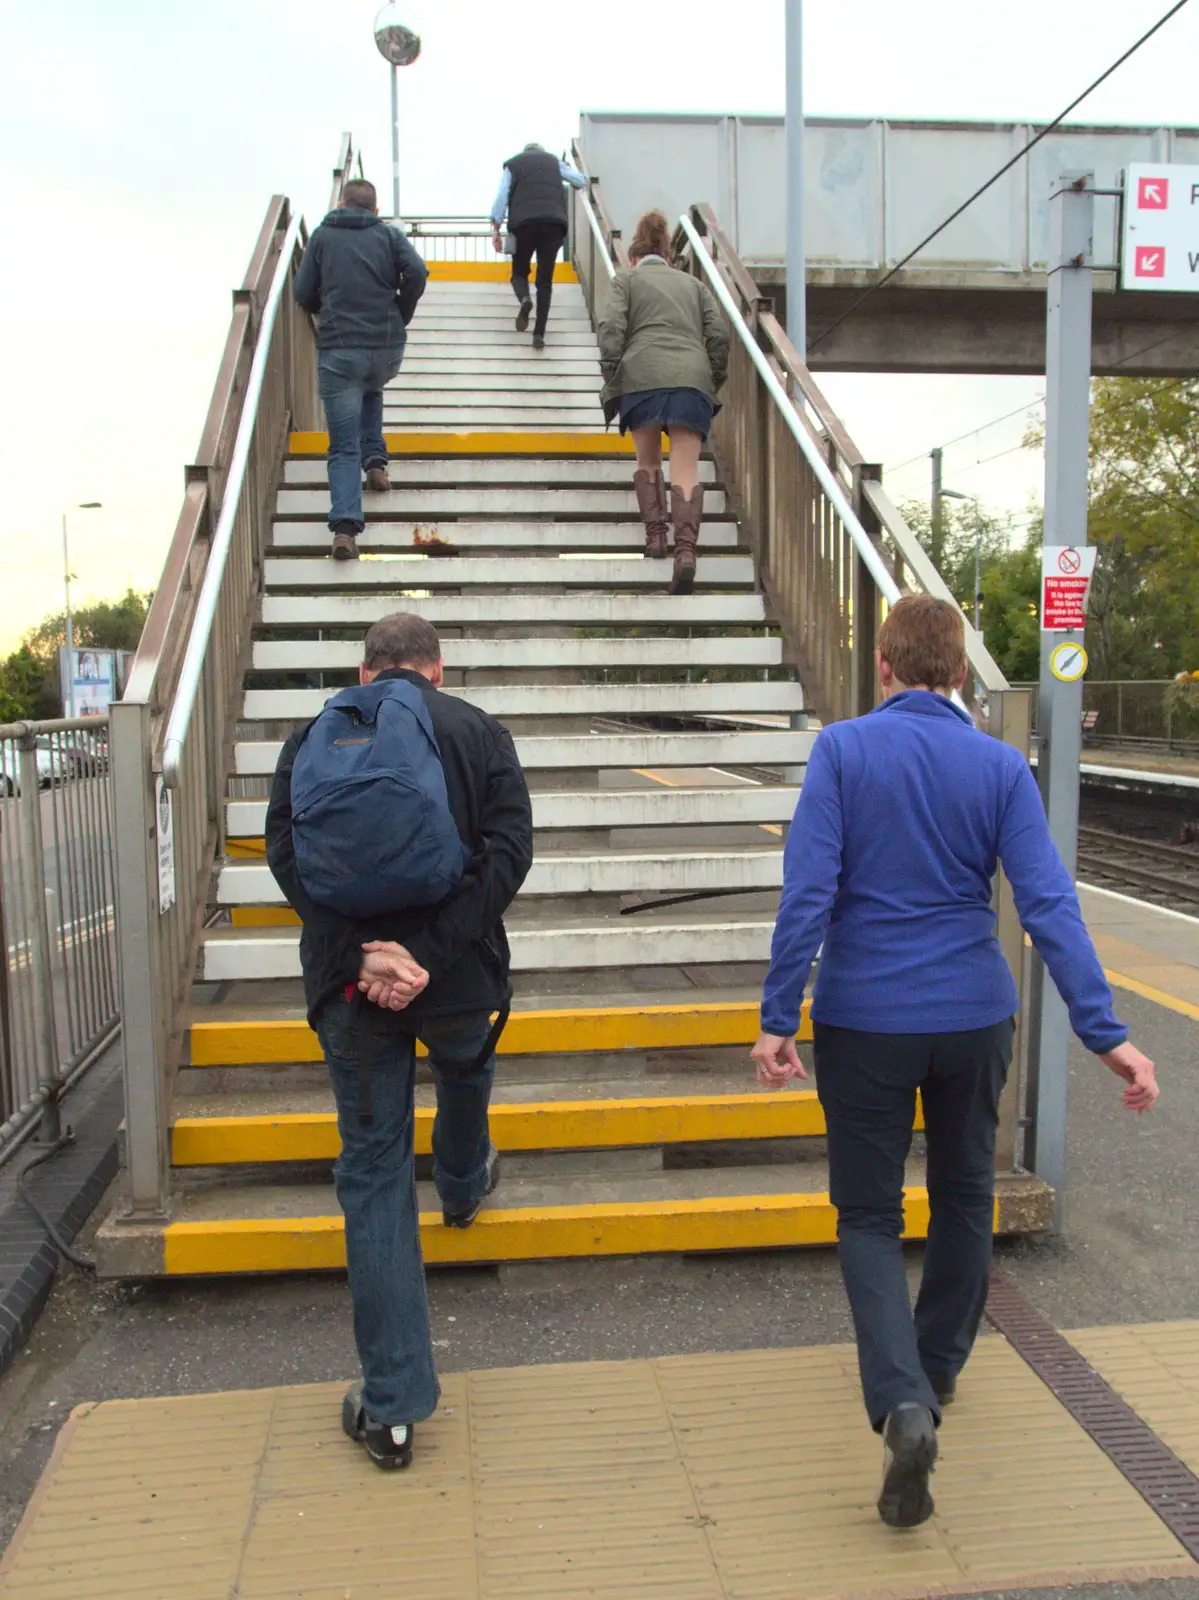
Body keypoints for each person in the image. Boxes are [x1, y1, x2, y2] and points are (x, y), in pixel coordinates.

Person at [751, 595, 1159, 1530]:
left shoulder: (843, 753)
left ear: (885, 668)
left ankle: (901, 1403)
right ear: (962, 677)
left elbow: (807, 893)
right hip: (975, 1014)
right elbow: (1050, 905)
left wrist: (778, 1016)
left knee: (865, 1213)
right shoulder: (997, 766)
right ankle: (935, 1372)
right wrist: (1107, 1034)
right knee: (966, 1193)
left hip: (865, 1020)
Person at [266, 612, 533, 1470]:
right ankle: (460, 1183)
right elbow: (509, 854)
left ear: (365, 672)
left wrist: (366, 954)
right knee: (464, 1070)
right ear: (436, 671)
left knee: (374, 1173)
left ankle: (394, 1408)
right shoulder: (477, 731)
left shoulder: (316, 734)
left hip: (353, 989)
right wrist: (426, 952)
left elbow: (286, 856)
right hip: (454, 983)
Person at [294, 179, 429, 562]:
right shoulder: (387, 235)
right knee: (371, 383)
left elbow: (303, 293)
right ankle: (376, 463)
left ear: (341, 203)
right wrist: (400, 313)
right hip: (385, 350)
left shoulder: (322, 236)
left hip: (340, 350)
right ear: (374, 209)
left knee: (341, 444)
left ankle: (345, 529)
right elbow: (418, 272)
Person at [597, 210, 729, 594]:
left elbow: (611, 328)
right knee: (685, 469)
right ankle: (685, 552)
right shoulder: (694, 286)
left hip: (641, 378)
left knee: (648, 459)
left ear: (636, 255)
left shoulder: (627, 280)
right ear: (669, 256)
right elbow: (719, 335)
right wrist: (711, 376)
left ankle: (655, 537)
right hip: (691, 381)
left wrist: (613, 372)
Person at [489, 143, 586, 349]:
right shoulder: (553, 161)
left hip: (523, 224)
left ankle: (525, 299)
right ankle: (539, 335)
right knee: (545, 281)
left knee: (519, 272)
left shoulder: (513, 164)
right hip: (553, 223)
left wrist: (495, 228)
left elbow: (501, 196)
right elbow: (579, 180)